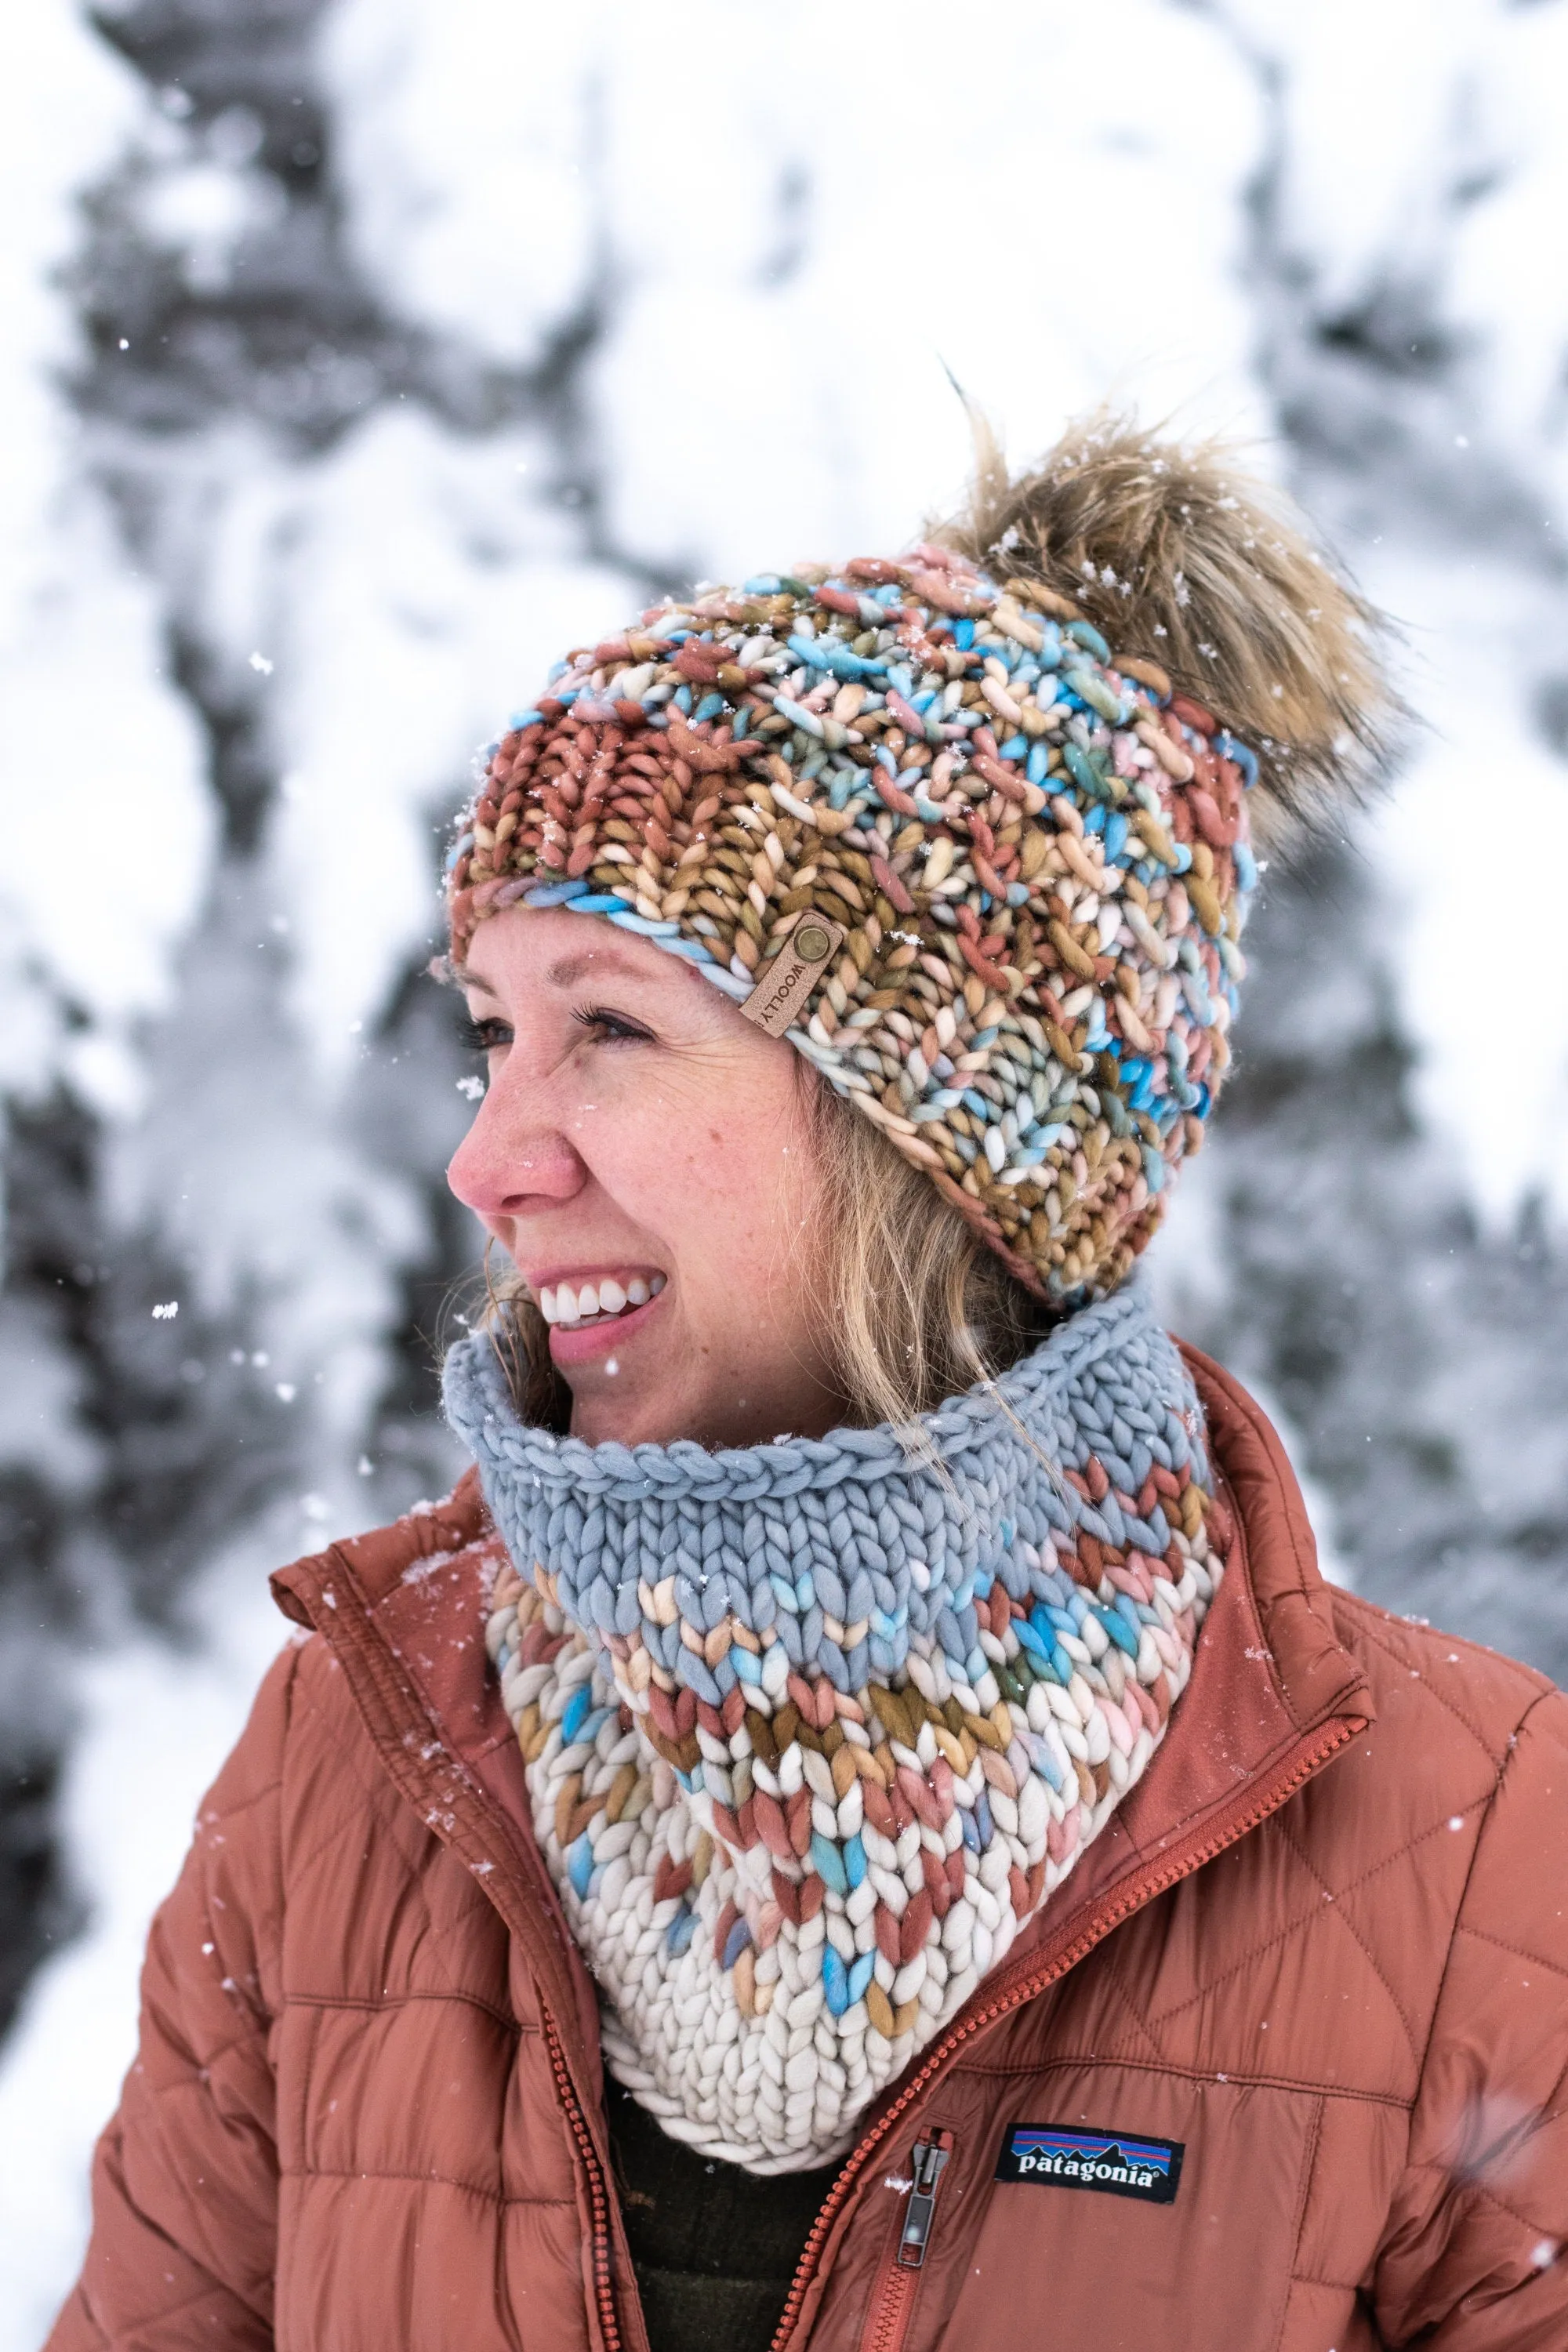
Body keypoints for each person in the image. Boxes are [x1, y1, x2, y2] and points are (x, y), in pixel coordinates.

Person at [47, 420, 1568, 2352]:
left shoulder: (1469, 1849)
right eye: (496, 1032)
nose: (492, 1152)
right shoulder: (359, 1759)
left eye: (609, 1025)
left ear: (939, 1134)